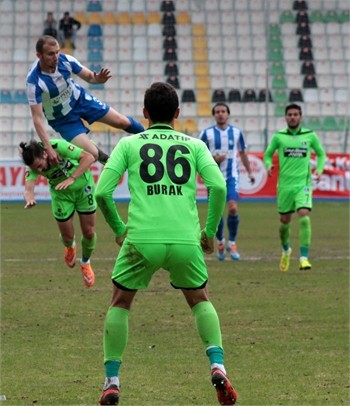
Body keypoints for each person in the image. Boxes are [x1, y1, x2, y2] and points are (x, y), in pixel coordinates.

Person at [95, 82, 238, 405]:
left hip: (141, 239)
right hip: (185, 240)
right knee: (200, 299)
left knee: (120, 302)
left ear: (144, 114)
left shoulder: (129, 145)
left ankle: (112, 382)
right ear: (177, 113)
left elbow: (102, 192)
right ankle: (218, 365)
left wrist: (119, 230)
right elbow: (217, 186)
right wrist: (209, 232)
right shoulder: (195, 145)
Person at [26, 36, 144, 166]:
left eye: (57, 52)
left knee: (122, 121)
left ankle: (150, 136)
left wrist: (98, 79)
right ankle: (107, 158)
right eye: (50, 54)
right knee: (92, 154)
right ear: (39, 55)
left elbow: (89, 77)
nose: (56, 56)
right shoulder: (34, 82)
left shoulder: (66, 61)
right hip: (62, 119)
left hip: (81, 100)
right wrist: (49, 148)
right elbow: (37, 119)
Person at [19, 139, 98, 287]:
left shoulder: (58, 147)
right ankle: (70, 246)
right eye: (37, 169)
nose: (40, 171)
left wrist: (72, 178)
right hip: (61, 195)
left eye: (40, 166)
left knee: (89, 233)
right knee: (67, 236)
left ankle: (86, 262)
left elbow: (89, 157)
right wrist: (29, 198)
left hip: (83, 189)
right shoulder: (33, 165)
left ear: (44, 154)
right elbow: (28, 189)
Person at [263, 103, 326, 271]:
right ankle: (286, 251)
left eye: (295, 114)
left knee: (304, 215)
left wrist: (319, 170)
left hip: (302, 185)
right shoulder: (278, 137)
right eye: (289, 114)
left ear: (300, 117)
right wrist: (268, 165)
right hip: (284, 186)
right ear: (285, 117)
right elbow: (268, 154)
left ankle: (304, 258)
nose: (292, 117)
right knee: (284, 221)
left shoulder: (309, 135)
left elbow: (321, 154)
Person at [200, 102, 255, 261]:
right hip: (213, 178)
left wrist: (250, 172)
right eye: (217, 111)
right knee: (216, 214)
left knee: (232, 208)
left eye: (223, 111)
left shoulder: (237, 133)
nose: (221, 114)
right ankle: (221, 242)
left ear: (228, 114)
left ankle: (232, 242)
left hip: (232, 177)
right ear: (214, 115)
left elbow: (243, 154)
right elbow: (199, 154)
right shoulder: (206, 133)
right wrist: (213, 158)